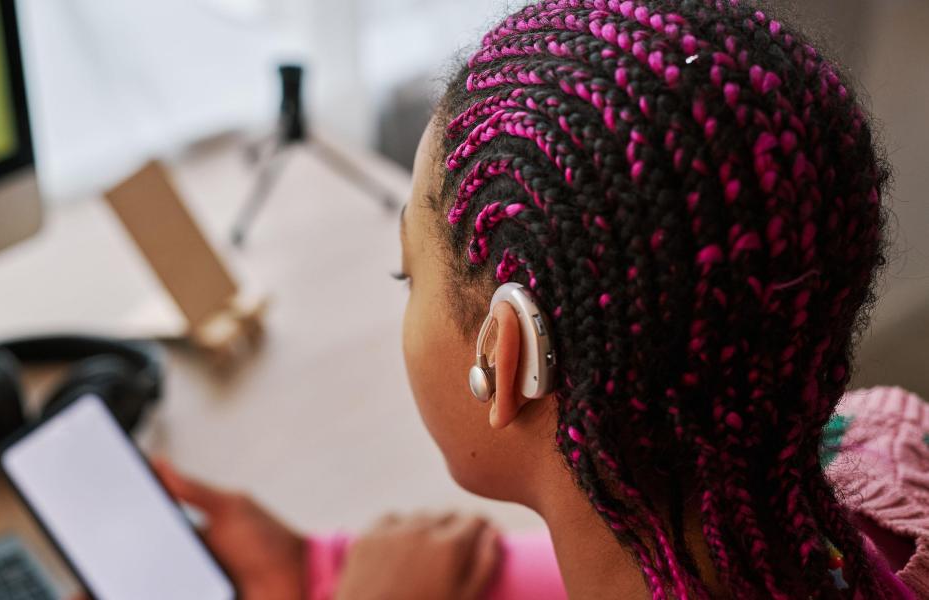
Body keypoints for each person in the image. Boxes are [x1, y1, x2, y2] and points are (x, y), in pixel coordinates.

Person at [152, 1, 929, 598]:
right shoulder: (885, 450)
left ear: (506, 352)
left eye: (407, 277)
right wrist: (312, 568)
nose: (405, 296)